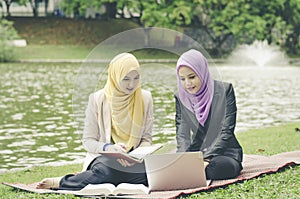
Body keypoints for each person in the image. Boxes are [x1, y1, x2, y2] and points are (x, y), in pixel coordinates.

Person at [36, 52, 153, 190]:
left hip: (134, 160)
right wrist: (109, 149)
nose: (132, 84)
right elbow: (88, 141)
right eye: (126, 79)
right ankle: (61, 182)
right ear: (114, 77)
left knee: (152, 175)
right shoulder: (98, 99)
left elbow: (146, 139)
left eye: (136, 78)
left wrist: (134, 157)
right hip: (105, 159)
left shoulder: (145, 98)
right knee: (104, 173)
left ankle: (96, 178)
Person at [175, 49, 243, 180]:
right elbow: (182, 135)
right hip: (195, 154)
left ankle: (191, 173)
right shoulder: (181, 97)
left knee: (219, 168)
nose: (187, 84)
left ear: (202, 72)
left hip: (224, 152)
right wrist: (183, 159)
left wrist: (206, 158)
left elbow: (226, 131)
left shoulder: (225, 90)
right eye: (182, 79)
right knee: (165, 167)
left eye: (192, 77)